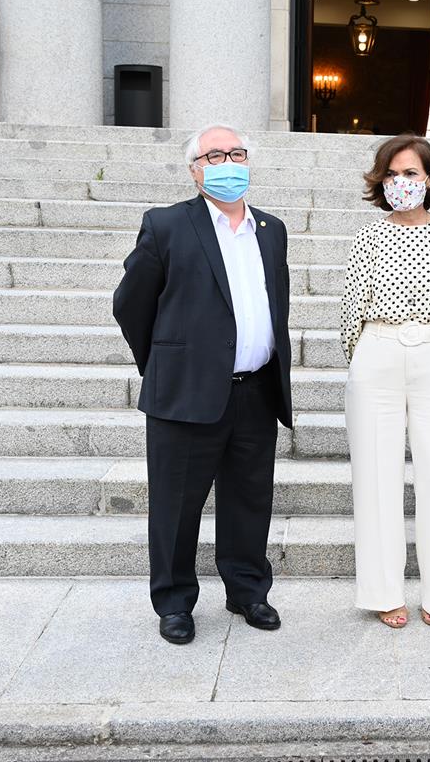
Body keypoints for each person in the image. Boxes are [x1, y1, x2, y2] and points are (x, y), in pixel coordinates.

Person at [113, 124, 293, 645]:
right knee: (175, 504)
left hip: (256, 390)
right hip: (184, 393)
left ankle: (247, 590)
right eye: (214, 155)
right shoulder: (167, 225)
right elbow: (131, 303)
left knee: (249, 499)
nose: (228, 162)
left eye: (236, 153)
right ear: (195, 170)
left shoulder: (271, 228)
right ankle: (173, 601)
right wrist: (165, 362)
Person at [342, 134, 430, 630]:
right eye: (394, 174)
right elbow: (351, 304)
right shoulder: (367, 236)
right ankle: (383, 591)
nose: (403, 182)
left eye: (412, 174)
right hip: (378, 349)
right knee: (376, 476)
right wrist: (358, 354)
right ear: (381, 180)